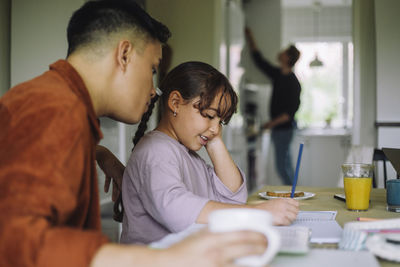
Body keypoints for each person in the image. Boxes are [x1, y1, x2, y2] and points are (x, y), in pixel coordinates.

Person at [0, 1, 269, 266]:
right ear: (124, 54)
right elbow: (17, 241)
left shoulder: (58, 105)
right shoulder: (52, 109)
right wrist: (167, 258)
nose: (154, 90)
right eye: (152, 69)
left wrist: (99, 152)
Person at [120, 61, 300, 244]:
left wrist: (214, 141)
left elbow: (234, 197)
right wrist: (260, 212)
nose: (215, 128)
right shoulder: (156, 151)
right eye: (209, 115)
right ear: (175, 103)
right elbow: (178, 211)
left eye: (220, 121)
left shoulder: (187, 154)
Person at [245, 27, 302, 185]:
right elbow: (259, 61)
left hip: (284, 130)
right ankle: (294, 194)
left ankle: (293, 197)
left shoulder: (294, 84)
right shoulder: (278, 75)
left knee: (281, 167)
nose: (281, 52)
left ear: (288, 57)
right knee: (286, 166)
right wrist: (250, 37)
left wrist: (269, 124)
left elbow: (288, 115)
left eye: (284, 51)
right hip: (280, 130)